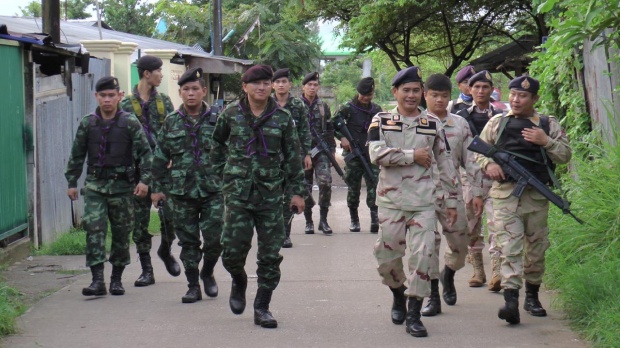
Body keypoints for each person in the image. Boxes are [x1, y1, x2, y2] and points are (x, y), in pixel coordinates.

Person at [210, 65, 305, 328]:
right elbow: (216, 145)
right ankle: (239, 280)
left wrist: (297, 192)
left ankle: (262, 306)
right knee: (230, 252)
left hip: (271, 196)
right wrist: (223, 175)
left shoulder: (282, 118)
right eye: (256, 83)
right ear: (245, 87)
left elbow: (294, 157)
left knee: (270, 255)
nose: (261, 87)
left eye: (266, 83)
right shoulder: (230, 114)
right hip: (238, 196)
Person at [368, 66, 460, 337]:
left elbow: (445, 163)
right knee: (386, 259)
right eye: (405, 90)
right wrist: (412, 155)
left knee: (423, 257)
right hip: (391, 202)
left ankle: (414, 313)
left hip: (424, 203)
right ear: (395, 92)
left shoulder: (432, 123)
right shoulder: (381, 121)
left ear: (421, 93)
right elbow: (377, 154)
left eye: (415, 91)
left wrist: (452, 201)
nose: (410, 95)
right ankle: (398, 293)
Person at [476, 75, 572, 324]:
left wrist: (546, 141)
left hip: (536, 197)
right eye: (513, 94)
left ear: (534, 99)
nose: (516, 100)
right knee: (510, 247)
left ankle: (532, 296)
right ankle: (510, 302)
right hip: (505, 196)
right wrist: (490, 163)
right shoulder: (498, 122)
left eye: (523, 96)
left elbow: (565, 156)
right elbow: (477, 151)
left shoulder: (548, 124)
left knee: (536, 249)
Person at [65, 76, 152, 297]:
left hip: (123, 187)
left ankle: (116, 279)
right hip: (95, 185)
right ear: (96, 96)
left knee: (122, 234)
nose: (107, 100)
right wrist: (72, 182)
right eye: (102, 95)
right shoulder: (88, 122)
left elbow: (145, 153)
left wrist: (144, 181)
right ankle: (97, 280)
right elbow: (77, 154)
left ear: (119, 96)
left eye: (111, 95)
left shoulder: (130, 122)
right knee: (94, 229)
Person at [150, 68, 223, 303]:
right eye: (186, 90)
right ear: (180, 93)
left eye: (195, 89)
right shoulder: (171, 122)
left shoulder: (219, 119)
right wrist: (157, 189)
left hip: (213, 189)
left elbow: (232, 153)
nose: (191, 94)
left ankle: (208, 271)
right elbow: (160, 157)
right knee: (189, 241)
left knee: (215, 239)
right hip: (181, 192)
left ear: (203, 91)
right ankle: (193, 285)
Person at [417, 74, 483, 316]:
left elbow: (471, 160)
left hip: (452, 194)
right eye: (434, 95)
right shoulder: (417, 122)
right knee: (428, 247)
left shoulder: (460, 124)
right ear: (426, 95)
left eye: (444, 96)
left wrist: (476, 191)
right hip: (422, 195)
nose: (440, 100)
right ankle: (433, 295)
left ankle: (449, 273)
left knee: (459, 244)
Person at [119, 55, 180, 287]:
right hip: (137, 173)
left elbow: (175, 132)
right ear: (147, 73)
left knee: (170, 219)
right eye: (158, 71)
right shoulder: (125, 104)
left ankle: (165, 250)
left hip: (164, 171)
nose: (161, 75)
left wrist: (173, 159)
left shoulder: (164, 101)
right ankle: (147, 269)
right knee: (140, 222)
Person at [456, 70, 505, 290]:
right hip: (469, 178)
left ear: (491, 89)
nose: (480, 91)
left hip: (497, 177)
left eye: (485, 87)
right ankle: (478, 270)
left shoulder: (502, 114)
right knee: (472, 225)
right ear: (469, 89)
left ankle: (497, 271)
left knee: (497, 224)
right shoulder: (459, 115)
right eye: (476, 87)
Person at [332, 77, 382, 233]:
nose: (366, 97)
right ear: (358, 93)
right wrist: (342, 137)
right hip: (353, 154)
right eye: (363, 94)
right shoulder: (347, 108)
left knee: (374, 184)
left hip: (370, 154)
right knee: (353, 188)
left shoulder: (376, 110)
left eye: (369, 94)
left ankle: (374, 218)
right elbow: (332, 124)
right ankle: (354, 219)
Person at [272, 68, 312, 248]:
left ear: (290, 84)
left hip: (292, 157)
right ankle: (272, 232)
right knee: (272, 196)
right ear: (273, 85)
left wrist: (307, 154)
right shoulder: (266, 104)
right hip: (270, 157)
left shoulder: (298, 105)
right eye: (278, 82)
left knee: (289, 195)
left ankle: (285, 234)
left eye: (284, 82)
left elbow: (304, 131)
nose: (281, 85)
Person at [300, 72, 336, 234]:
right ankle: (308, 221)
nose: (312, 88)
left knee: (325, 182)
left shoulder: (323, 106)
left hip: (320, 151)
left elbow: (329, 129)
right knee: (305, 186)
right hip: (302, 151)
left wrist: (332, 151)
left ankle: (323, 220)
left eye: (315, 85)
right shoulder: (296, 105)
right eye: (309, 85)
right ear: (303, 87)